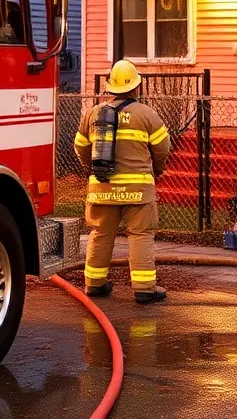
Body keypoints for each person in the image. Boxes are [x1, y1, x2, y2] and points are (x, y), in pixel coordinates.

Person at [74, 59, 172, 303]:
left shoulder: (93, 114)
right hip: (138, 191)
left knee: (100, 233)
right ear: (136, 87)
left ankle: (94, 284)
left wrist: (92, 168)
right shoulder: (147, 114)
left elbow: (80, 147)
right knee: (141, 235)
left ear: (111, 87)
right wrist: (158, 170)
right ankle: (144, 288)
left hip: (102, 187)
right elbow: (162, 148)